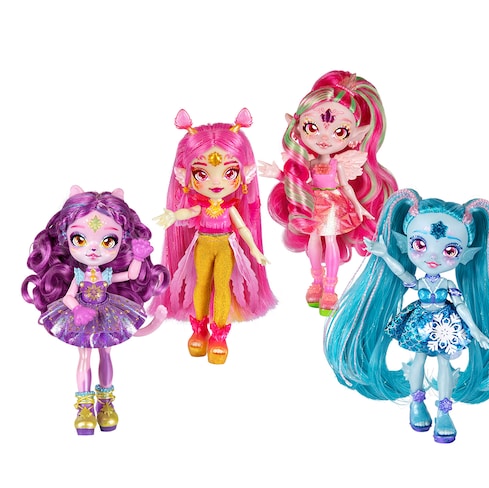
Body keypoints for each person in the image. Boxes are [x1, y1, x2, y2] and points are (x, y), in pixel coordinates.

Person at [323, 188, 489, 443]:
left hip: (446, 324)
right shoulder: (420, 282)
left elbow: (461, 306)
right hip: (420, 323)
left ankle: (444, 411)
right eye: (420, 245)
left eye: (450, 251)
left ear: (465, 254)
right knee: (418, 360)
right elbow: (403, 275)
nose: (433, 256)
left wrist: (475, 330)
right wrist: (385, 254)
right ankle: (416, 403)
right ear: (405, 243)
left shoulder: (447, 285)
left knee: (444, 363)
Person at [22, 186, 169, 435]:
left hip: (108, 310)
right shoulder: (78, 274)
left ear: (121, 240)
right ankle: (84, 407)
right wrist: (77, 309)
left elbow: (130, 275)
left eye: (108, 241)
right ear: (65, 238)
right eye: (79, 239)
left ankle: (106, 403)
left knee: (106, 354)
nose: (92, 248)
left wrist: (138, 257)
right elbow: (68, 297)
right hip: (82, 315)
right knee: (84, 356)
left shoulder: (108, 273)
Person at [261, 70, 397, 315]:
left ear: (355, 137)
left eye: (339, 131)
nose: (324, 137)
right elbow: (296, 179)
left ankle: (331, 287)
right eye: (312, 127)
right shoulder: (307, 162)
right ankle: (316, 280)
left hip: (334, 205)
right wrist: (277, 174)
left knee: (331, 240)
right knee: (314, 239)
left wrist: (359, 206)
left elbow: (346, 186)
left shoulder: (339, 164)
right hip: (312, 203)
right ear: (296, 128)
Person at [153, 108, 277, 364]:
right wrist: (174, 216)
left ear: (243, 174)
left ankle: (219, 334)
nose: (216, 182)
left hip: (225, 245)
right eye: (202, 174)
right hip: (203, 244)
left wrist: (255, 250)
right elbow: (189, 211)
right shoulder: (201, 205)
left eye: (229, 173)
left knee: (222, 285)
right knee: (201, 283)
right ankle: (199, 328)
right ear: (186, 176)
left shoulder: (230, 208)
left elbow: (242, 228)